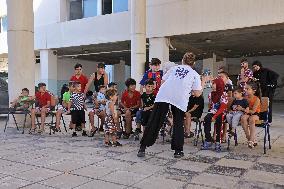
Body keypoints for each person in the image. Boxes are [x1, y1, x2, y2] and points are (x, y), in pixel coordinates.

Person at [137, 52, 204, 158]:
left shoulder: (174, 68)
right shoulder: (194, 74)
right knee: (178, 123)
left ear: (182, 60)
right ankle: (178, 151)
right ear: (194, 63)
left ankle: (142, 148)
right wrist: (203, 81)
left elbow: (163, 81)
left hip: (164, 95)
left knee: (154, 121)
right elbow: (197, 93)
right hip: (179, 98)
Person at [201, 78, 228, 152]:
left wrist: (215, 116)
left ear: (219, 85)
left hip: (221, 113)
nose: (212, 85)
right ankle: (208, 140)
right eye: (212, 84)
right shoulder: (211, 94)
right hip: (213, 111)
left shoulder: (224, 94)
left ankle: (218, 142)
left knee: (219, 120)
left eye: (214, 84)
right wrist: (209, 114)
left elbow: (222, 108)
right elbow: (210, 106)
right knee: (206, 118)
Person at [241, 82, 261, 148]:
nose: (245, 90)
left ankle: (251, 139)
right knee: (243, 118)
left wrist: (243, 109)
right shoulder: (244, 98)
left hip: (255, 114)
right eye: (245, 89)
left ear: (254, 90)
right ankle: (249, 138)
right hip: (247, 113)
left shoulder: (257, 99)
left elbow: (253, 111)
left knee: (251, 119)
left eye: (247, 89)